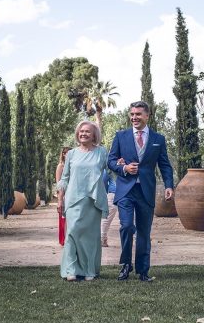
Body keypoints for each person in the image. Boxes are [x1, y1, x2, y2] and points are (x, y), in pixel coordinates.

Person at [107, 101, 174, 282]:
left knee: (144, 232)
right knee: (127, 226)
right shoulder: (121, 136)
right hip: (126, 190)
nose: (134, 117)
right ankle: (126, 264)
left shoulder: (158, 139)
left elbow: (165, 165)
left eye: (138, 114)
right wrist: (124, 169)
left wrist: (169, 185)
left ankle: (143, 271)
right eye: (132, 114)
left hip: (146, 190)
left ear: (147, 116)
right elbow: (111, 161)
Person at [56, 122, 108, 281]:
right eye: (81, 131)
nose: (83, 134)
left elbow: (112, 169)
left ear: (94, 135)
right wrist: (60, 199)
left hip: (93, 200)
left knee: (90, 237)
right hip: (73, 199)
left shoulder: (101, 152)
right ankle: (70, 270)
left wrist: (122, 166)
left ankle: (89, 270)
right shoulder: (71, 154)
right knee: (72, 233)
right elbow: (64, 178)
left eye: (87, 132)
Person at [100, 169, 118, 247]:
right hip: (113, 193)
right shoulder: (111, 164)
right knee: (107, 218)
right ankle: (102, 238)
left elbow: (104, 180)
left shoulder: (110, 164)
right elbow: (104, 179)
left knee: (106, 218)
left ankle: (102, 238)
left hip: (113, 193)